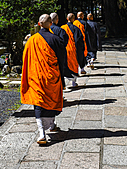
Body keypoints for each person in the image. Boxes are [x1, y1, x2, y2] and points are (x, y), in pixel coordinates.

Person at [20, 14, 64, 145]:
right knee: (52, 101)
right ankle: (51, 125)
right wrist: (61, 74)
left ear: (39, 24)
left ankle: (41, 133)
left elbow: (25, 60)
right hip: (52, 76)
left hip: (36, 77)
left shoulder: (32, 41)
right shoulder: (56, 39)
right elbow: (62, 59)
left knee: (38, 103)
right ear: (50, 23)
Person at [50, 12, 75, 88]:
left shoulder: (46, 31)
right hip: (59, 54)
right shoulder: (60, 30)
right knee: (60, 71)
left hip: (48, 54)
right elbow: (65, 41)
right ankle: (61, 87)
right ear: (57, 20)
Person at [61, 13, 85, 87]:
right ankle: (73, 82)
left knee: (66, 65)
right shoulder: (76, 29)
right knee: (74, 66)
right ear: (73, 19)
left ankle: (65, 82)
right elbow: (79, 40)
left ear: (67, 19)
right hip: (73, 50)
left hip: (65, 49)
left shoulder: (62, 28)